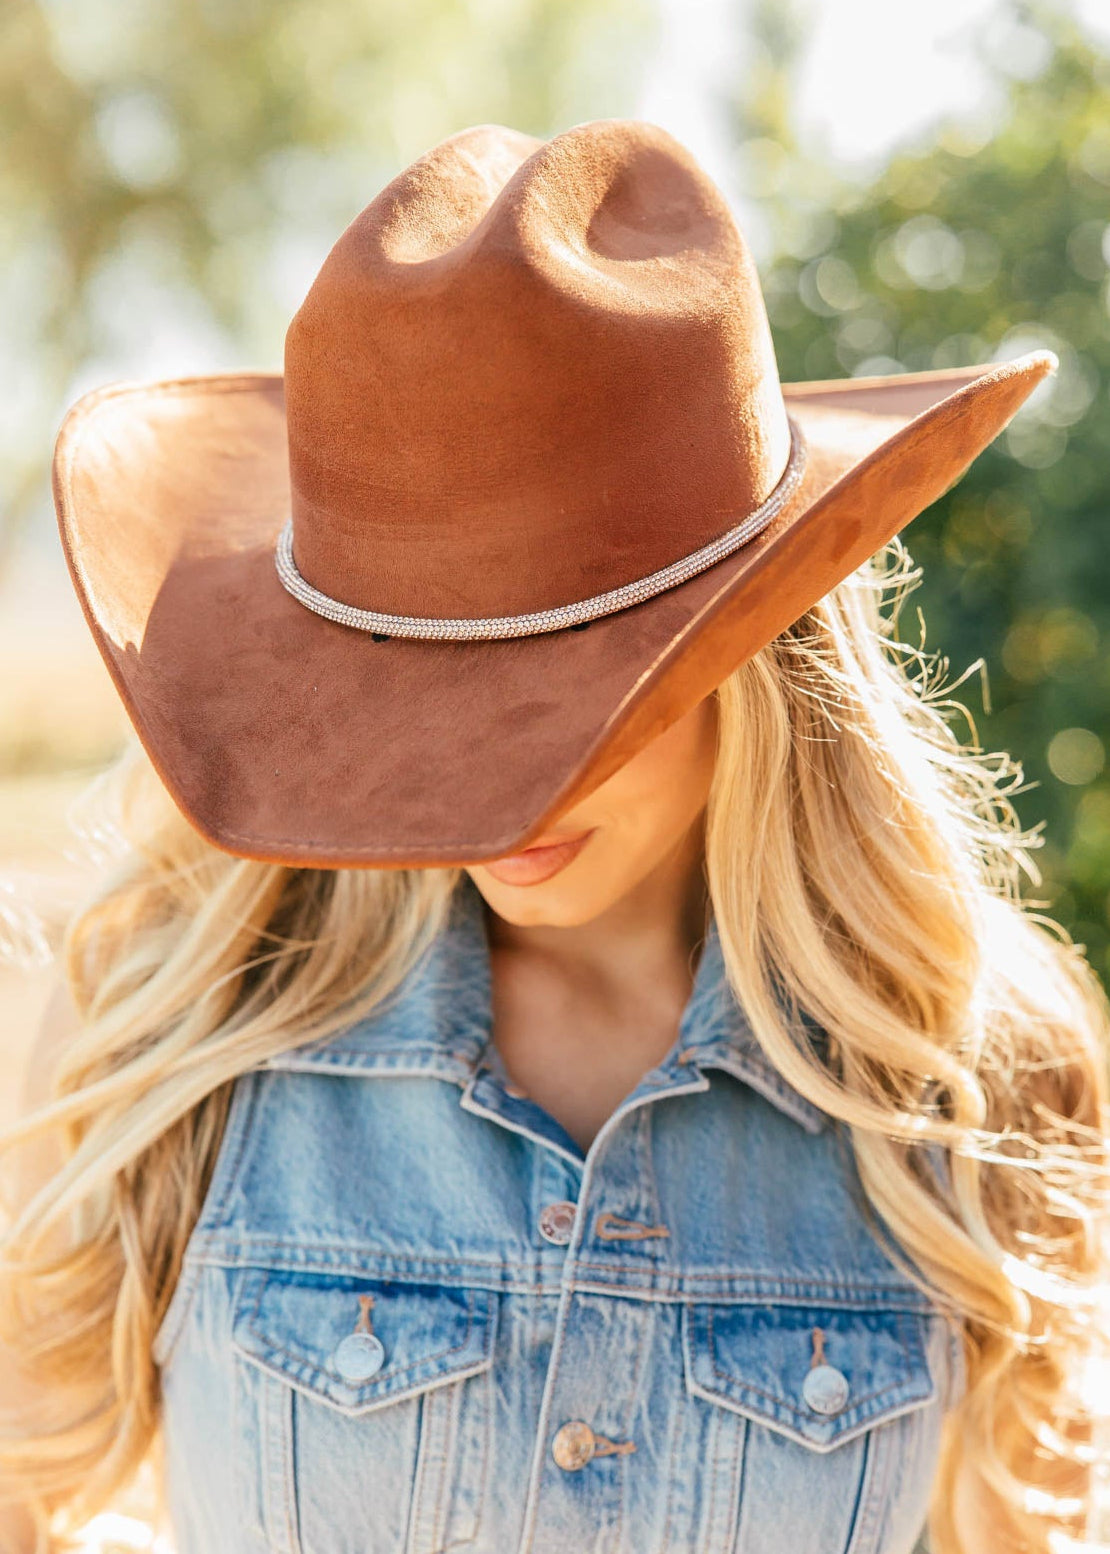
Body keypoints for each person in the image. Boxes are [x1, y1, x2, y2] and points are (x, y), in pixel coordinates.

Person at [1, 118, 1108, 1554]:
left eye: (565, 699)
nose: (493, 790)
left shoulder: (979, 1078)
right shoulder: (183, 1014)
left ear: (754, 653)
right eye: (416, 676)